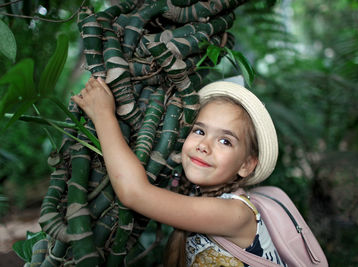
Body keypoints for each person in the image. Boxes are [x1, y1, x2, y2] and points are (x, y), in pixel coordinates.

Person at [72, 78, 283, 267]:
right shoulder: (198, 196)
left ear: (246, 165)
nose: (204, 145)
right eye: (199, 131)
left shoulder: (235, 213)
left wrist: (102, 115)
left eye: (225, 141)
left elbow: (133, 193)